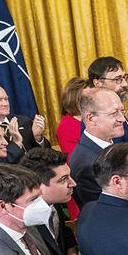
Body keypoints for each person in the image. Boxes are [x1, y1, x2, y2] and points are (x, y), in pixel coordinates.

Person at [19, 148, 83, 255]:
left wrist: (71, 250)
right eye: (63, 179)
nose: (73, 183)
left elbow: (61, 230)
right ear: (37, 185)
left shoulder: (54, 201)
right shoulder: (24, 222)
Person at [68, 88, 126, 207]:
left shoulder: (109, 145)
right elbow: (110, 211)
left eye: (122, 111)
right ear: (91, 119)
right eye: (114, 113)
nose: (122, 119)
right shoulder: (87, 165)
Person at [0, 82, 50, 164]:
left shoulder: (23, 121)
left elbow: (47, 154)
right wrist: (16, 144)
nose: (5, 103)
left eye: (6, 99)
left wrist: (37, 138)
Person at [55, 77, 89, 219]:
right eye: (86, 96)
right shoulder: (66, 125)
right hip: (82, 184)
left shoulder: (89, 118)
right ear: (74, 97)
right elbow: (76, 161)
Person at [55, 77, 89, 158]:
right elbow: (76, 160)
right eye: (86, 98)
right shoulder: (66, 127)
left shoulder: (93, 116)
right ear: (73, 99)